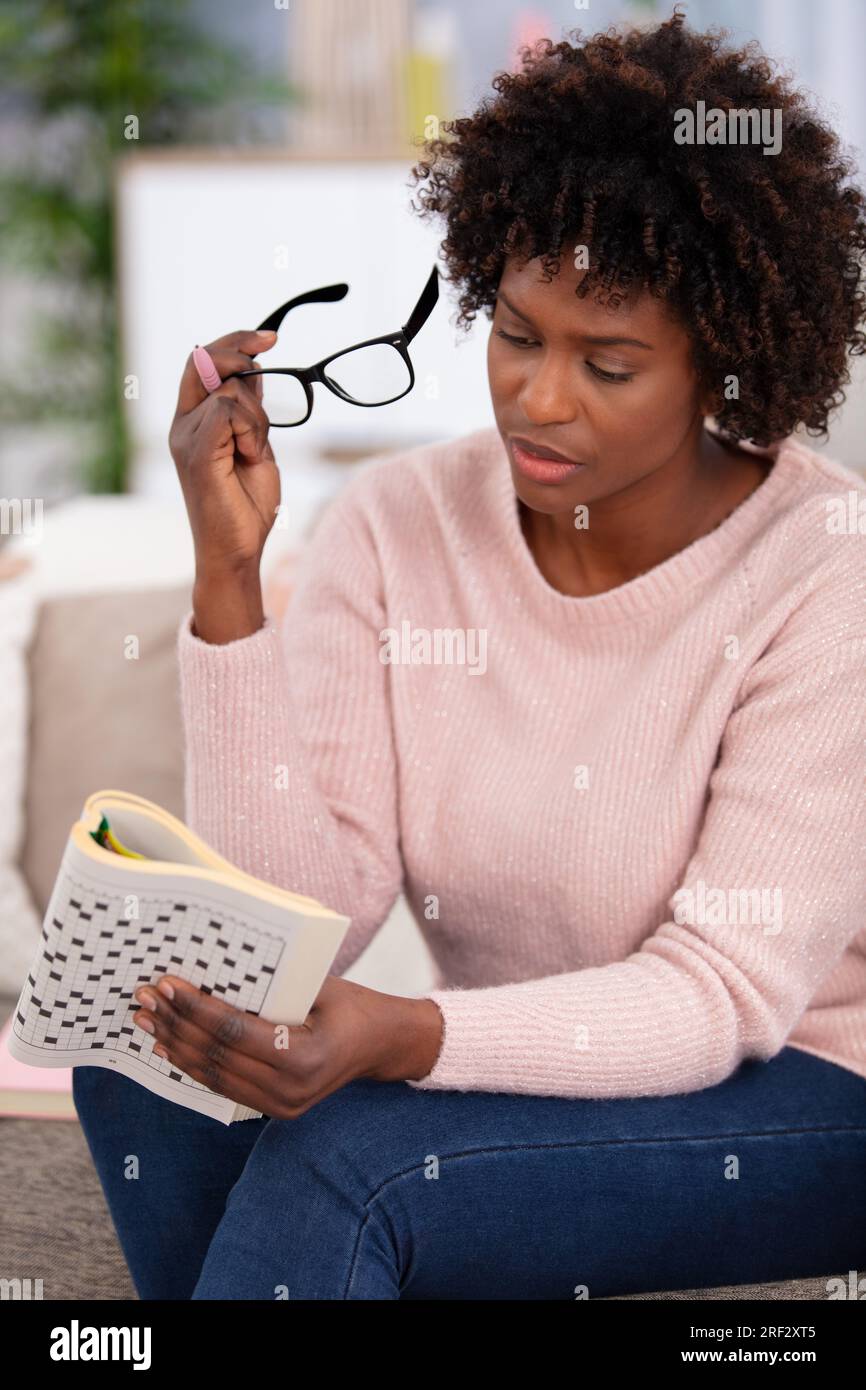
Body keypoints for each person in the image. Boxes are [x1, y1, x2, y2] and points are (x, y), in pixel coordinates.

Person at [73, 11, 866, 1300]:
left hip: (809, 1087)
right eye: (515, 333)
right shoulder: (396, 523)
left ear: (723, 358)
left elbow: (719, 996)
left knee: (358, 1162)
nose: (538, 401)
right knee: (152, 1053)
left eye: (608, 365)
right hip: (535, 1073)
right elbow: (306, 924)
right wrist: (229, 580)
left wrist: (407, 1038)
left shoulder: (829, 566)